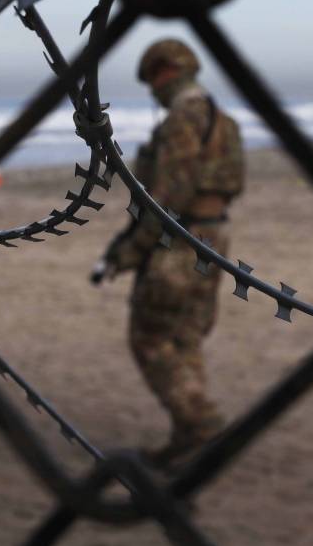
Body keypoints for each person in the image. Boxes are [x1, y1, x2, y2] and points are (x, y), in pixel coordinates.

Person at [93, 38, 245, 468]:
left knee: (151, 336)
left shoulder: (182, 120)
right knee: (186, 336)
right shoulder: (223, 120)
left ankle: (200, 421)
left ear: (166, 70)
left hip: (181, 240)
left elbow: (170, 195)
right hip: (214, 237)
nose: (152, 91)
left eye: (153, 79)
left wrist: (132, 251)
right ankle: (188, 436)